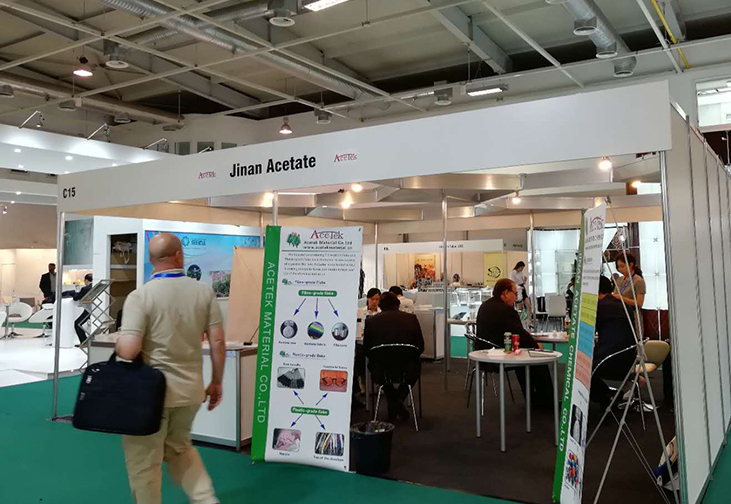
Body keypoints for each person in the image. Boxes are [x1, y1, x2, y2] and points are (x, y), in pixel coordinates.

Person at [116, 233, 225, 504]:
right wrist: (216, 382)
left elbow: (129, 350)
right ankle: (206, 500)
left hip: (149, 396)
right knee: (180, 449)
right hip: (190, 392)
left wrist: (120, 341)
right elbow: (217, 341)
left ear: (151, 259)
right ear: (179, 255)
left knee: (144, 463)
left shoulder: (140, 296)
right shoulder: (204, 292)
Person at [475, 278, 553, 407]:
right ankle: (547, 401)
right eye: (515, 293)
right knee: (536, 357)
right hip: (497, 354)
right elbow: (519, 333)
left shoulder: (486, 305)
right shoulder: (505, 310)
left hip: (483, 352)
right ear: (506, 293)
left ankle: (534, 399)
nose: (517, 297)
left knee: (523, 355)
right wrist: (535, 345)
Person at [364, 292, 424, 421]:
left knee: (375, 369)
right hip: (407, 367)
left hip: (381, 368)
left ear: (380, 305)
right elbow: (420, 346)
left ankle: (393, 401)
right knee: (415, 369)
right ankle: (398, 401)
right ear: (398, 304)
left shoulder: (371, 321)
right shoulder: (411, 319)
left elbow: (367, 349)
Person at [591, 276, 637, 409]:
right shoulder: (625, 306)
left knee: (581, 367)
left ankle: (607, 396)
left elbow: (586, 333)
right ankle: (610, 395)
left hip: (607, 362)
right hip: (629, 361)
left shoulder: (598, 307)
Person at [73, 274, 93, 345]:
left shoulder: (85, 289)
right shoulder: (95, 286)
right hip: (94, 309)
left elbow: (76, 298)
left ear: (86, 280)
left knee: (77, 323)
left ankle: (84, 342)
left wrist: (76, 292)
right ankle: (85, 341)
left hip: (89, 310)